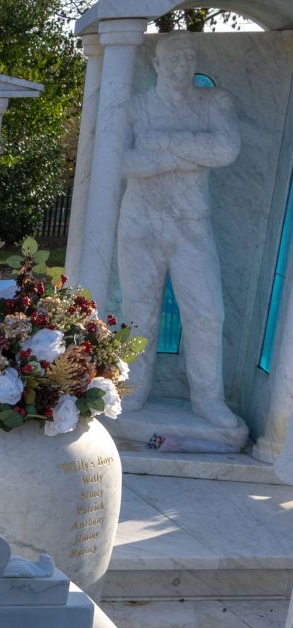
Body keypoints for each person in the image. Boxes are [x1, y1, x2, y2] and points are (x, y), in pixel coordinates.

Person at [117, 33, 242, 428]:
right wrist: (189, 157)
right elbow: (123, 163)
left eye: (189, 57)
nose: (182, 64)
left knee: (208, 314)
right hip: (140, 223)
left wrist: (163, 144)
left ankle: (209, 399)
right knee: (138, 313)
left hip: (192, 225)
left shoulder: (214, 102)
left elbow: (225, 150)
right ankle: (131, 389)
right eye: (173, 58)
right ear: (156, 64)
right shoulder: (135, 108)